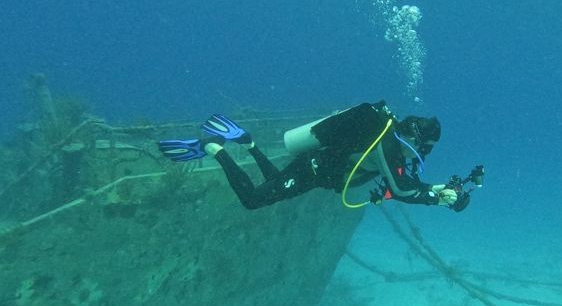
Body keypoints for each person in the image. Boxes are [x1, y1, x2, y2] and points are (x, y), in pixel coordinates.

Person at [157, 100, 480, 212]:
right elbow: (400, 189)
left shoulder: (390, 142)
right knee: (253, 200)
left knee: (274, 182)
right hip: (314, 170)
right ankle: (214, 147)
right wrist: (435, 199)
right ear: (415, 138)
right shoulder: (387, 143)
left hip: (316, 170)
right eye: (426, 146)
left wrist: (438, 189)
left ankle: (247, 142)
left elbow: (404, 182)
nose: (423, 153)